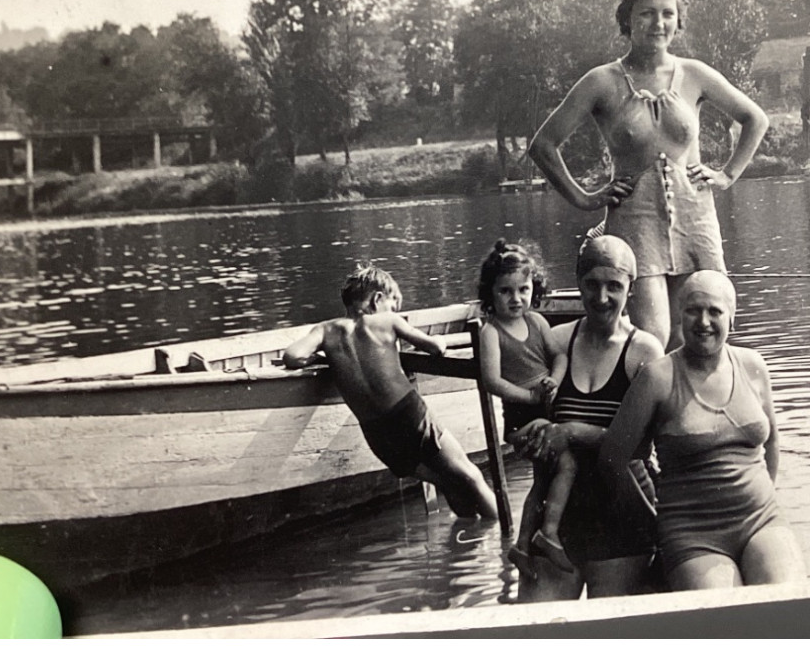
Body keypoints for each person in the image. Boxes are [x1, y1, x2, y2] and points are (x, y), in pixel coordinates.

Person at [529, 0, 768, 350]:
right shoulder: (601, 81)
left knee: (708, 331)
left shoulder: (694, 74)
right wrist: (586, 198)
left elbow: (755, 119)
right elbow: (543, 146)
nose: (658, 23)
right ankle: (651, 406)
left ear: (678, 19)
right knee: (655, 340)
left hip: (696, 220)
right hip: (634, 224)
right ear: (627, 19)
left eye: (667, 14)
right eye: (646, 14)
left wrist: (727, 175)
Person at [599, 270, 805, 590]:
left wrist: (766, 498)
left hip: (761, 520)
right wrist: (651, 518)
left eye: (715, 311)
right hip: (693, 534)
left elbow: (773, 442)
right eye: (693, 310)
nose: (703, 321)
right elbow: (613, 458)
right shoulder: (658, 378)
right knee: (722, 620)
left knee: (788, 600)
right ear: (680, 316)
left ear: (732, 319)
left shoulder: (753, 365)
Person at [509, 235, 664, 600]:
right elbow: (517, 424)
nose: (602, 297)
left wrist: (575, 432)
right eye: (591, 285)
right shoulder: (557, 342)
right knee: (533, 636)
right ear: (578, 282)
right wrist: (532, 435)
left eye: (614, 286)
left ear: (632, 288)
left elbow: (643, 444)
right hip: (557, 525)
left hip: (623, 519)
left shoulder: (644, 350)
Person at [282, 263, 499, 520]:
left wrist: (323, 359)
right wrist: (440, 342)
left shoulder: (326, 330)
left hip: (376, 434)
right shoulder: (387, 321)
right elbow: (433, 348)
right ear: (377, 300)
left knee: (446, 480)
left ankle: (471, 535)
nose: (396, 312)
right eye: (394, 305)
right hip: (409, 416)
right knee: (468, 474)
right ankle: (502, 531)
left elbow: (292, 356)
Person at [473, 240, 572, 579]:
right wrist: (529, 397)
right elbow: (491, 381)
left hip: (547, 410)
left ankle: (521, 548)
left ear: (534, 288)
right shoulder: (491, 331)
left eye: (523, 289)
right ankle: (550, 532)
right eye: (505, 291)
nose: (516, 298)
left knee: (543, 480)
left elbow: (559, 356)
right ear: (491, 293)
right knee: (569, 463)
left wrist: (555, 381)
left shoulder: (538, 322)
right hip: (522, 420)